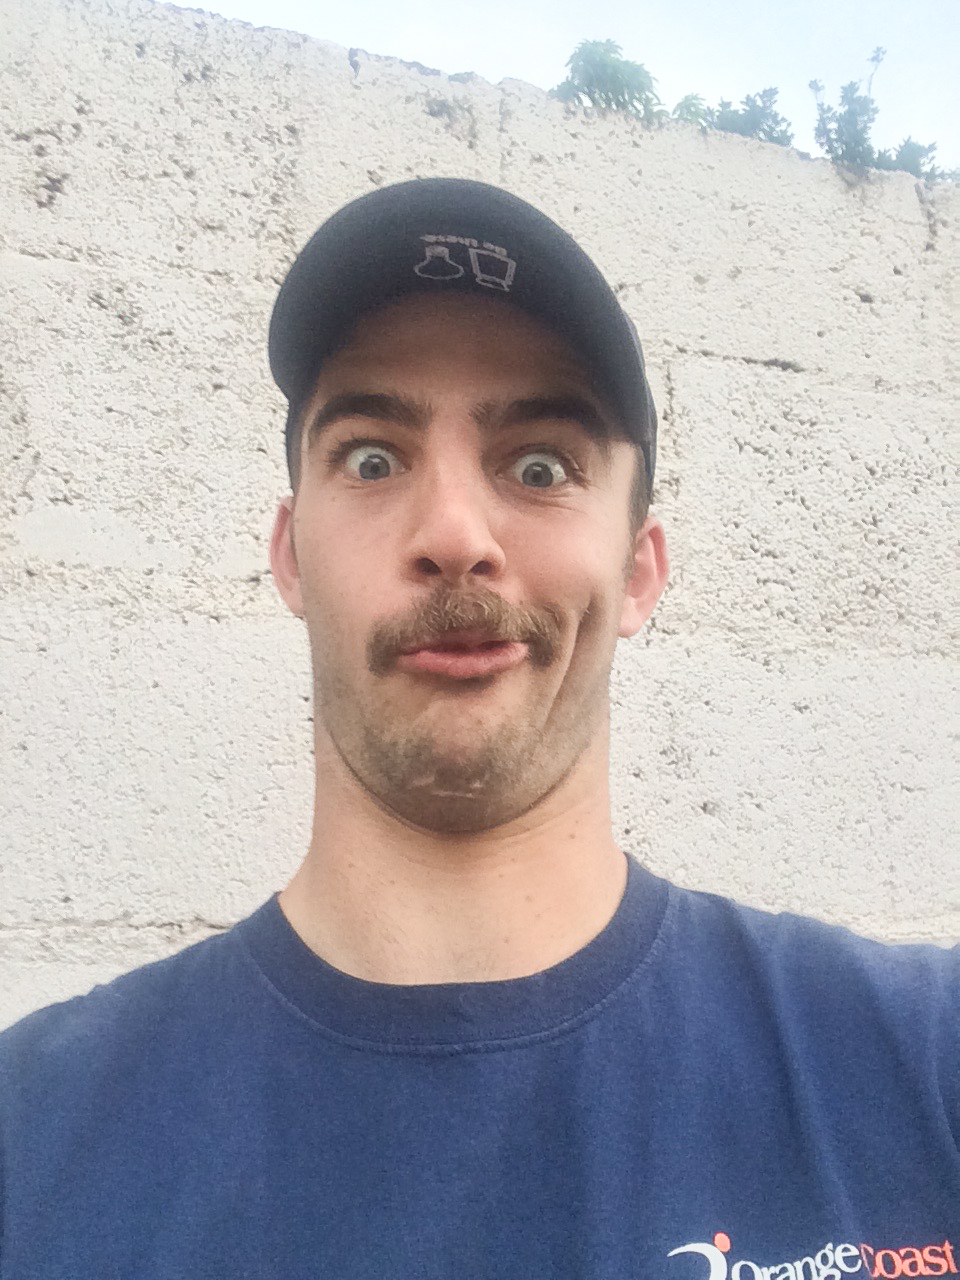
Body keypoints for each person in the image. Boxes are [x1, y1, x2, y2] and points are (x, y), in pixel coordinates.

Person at [0, 178, 956, 1279]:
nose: (455, 534)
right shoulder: (33, 1135)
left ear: (639, 571)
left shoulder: (924, 1064)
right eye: (372, 457)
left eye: (540, 466)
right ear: (291, 555)